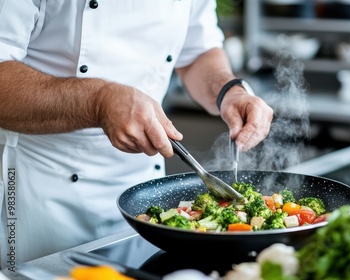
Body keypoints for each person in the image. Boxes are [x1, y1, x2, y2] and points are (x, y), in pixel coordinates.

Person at [0, 0, 273, 270]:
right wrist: (98, 101)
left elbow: (198, 52)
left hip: (141, 199)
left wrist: (229, 90)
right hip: (39, 190)